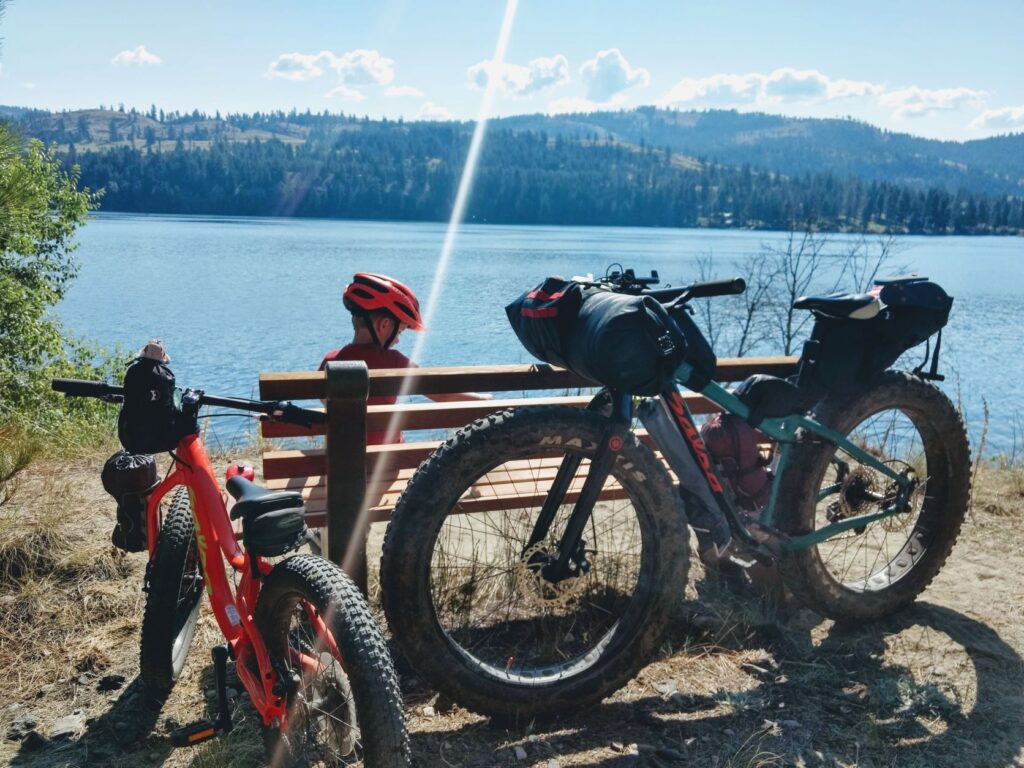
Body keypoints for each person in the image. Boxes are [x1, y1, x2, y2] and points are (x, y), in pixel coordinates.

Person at [319, 273, 491, 444]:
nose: (398, 339)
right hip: (385, 464)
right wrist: (485, 400)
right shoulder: (394, 362)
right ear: (384, 325)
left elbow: (326, 403)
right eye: (399, 331)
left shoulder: (330, 361)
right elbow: (442, 395)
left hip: (339, 464)